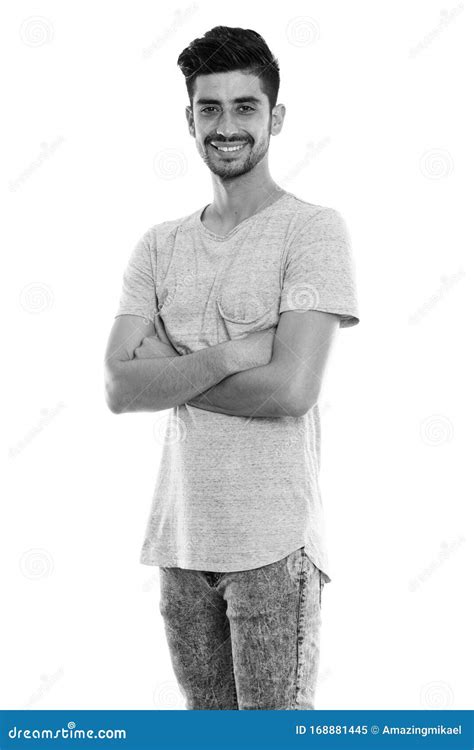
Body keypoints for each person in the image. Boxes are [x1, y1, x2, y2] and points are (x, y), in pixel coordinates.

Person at [104, 25, 360, 710]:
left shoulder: (312, 230)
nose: (227, 126)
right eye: (209, 109)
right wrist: (233, 353)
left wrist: (175, 369)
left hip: (274, 545)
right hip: (181, 541)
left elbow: (291, 389)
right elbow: (119, 387)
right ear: (188, 120)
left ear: (274, 117)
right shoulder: (158, 247)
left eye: (245, 107)